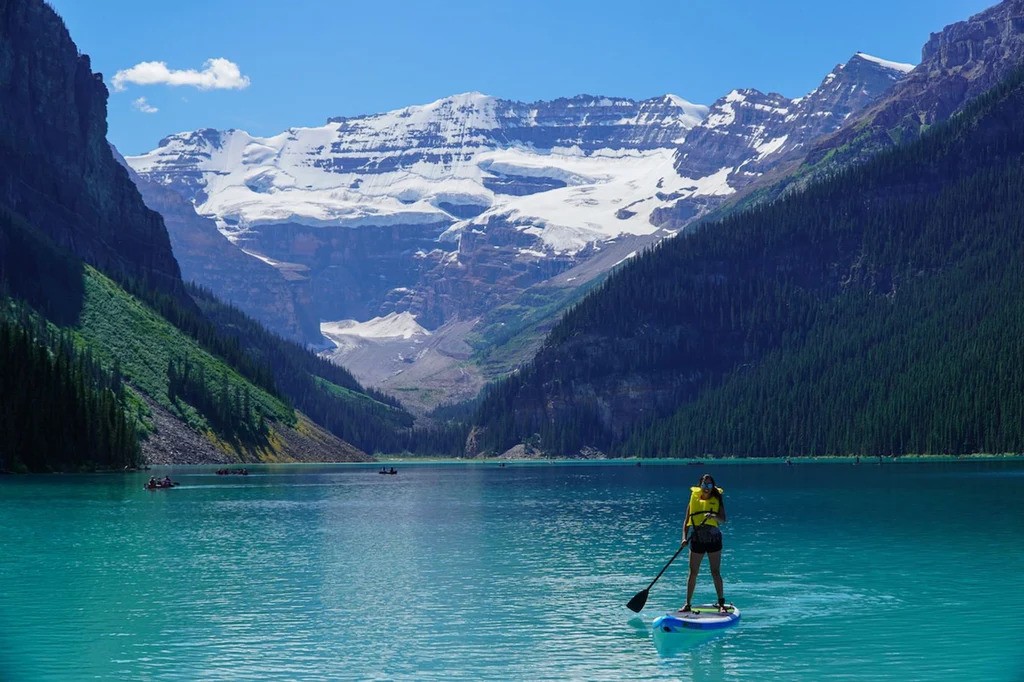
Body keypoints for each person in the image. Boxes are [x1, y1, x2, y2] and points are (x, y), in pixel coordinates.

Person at [680, 473, 728, 614]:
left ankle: (721, 603)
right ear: (700, 485)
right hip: (697, 539)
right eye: (704, 485)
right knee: (693, 572)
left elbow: (723, 519)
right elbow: (686, 521)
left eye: (709, 485)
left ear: (713, 486)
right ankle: (687, 604)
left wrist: (713, 515)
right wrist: (684, 538)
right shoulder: (693, 500)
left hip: (713, 539)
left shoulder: (717, 499)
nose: (706, 488)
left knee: (715, 572)